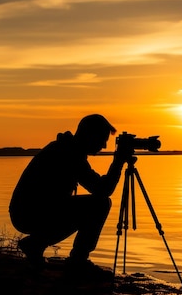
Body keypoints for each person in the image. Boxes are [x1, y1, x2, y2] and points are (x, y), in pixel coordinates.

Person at [9, 114, 132, 274]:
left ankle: (36, 244)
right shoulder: (68, 153)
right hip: (29, 213)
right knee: (100, 204)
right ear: (89, 135)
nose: (104, 145)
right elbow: (102, 190)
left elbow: (98, 187)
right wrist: (118, 162)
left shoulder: (67, 148)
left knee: (94, 204)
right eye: (102, 139)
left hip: (31, 211)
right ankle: (77, 261)